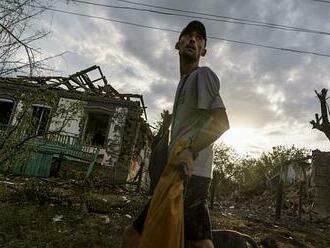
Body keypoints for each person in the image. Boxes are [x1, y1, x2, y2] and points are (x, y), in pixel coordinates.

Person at [122, 20, 229, 248]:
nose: (193, 39)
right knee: (191, 242)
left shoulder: (203, 76)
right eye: (188, 35)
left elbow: (221, 122)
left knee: (135, 236)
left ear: (204, 50)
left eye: (199, 38)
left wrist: (190, 151)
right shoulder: (184, 83)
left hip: (190, 174)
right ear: (177, 44)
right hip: (179, 173)